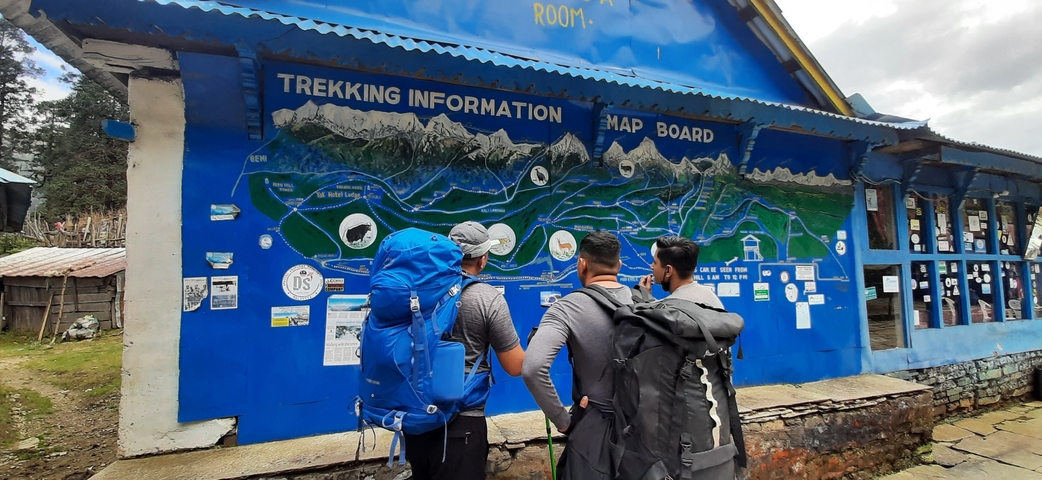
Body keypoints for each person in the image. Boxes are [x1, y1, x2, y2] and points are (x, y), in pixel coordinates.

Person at [403, 221, 525, 480]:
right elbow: (515, 366)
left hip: (415, 417)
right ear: (483, 260)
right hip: (463, 423)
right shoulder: (487, 298)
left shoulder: (418, 292)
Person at [523, 230, 632, 479]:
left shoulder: (567, 307)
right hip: (644, 430)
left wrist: (563, 421)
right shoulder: (643, 302)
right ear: (619, 265)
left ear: (581, 264)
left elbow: (532, 368)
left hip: (594, 433)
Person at [639, 235, 725, 308]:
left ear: (668, 270)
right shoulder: (710, 296)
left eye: (655, 262)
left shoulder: (669, 310)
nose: (652, 266)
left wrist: (643, 301)